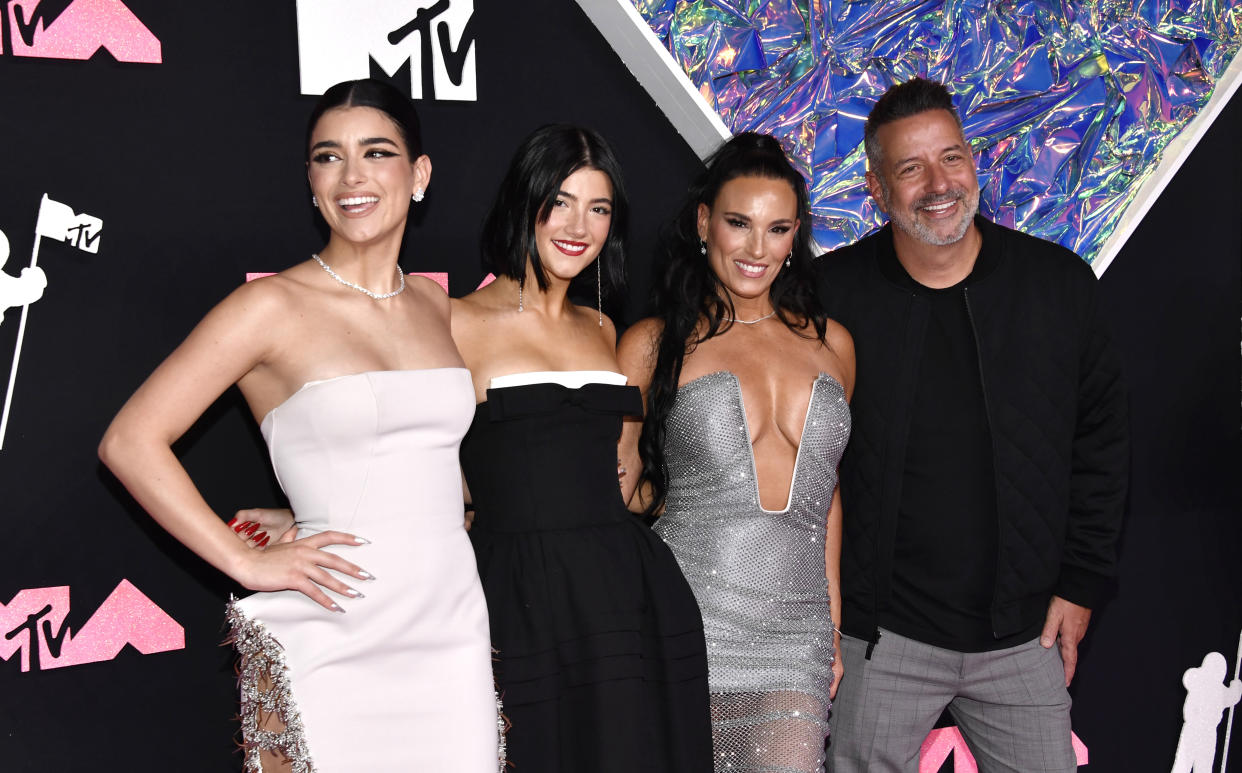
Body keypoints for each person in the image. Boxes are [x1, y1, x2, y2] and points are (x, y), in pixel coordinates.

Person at [98, 79, 500, 772]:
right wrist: (245, 560)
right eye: (327, 157)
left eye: (376, 152)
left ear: (420, 173)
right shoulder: (270, 307)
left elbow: (423, 458)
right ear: (311, 182)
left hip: (449, 625)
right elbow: (130, 441)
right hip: (334, 624)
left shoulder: (437, 306)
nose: (352, 177)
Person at [816, 77, 1128, 772]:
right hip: (884, 635)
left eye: (951, 157)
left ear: (973, 162)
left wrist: (1080, 583)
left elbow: (1103, 446)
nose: (938, 183)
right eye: (910, 167)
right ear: (876, 189)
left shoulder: (1058, 287)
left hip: (1021, 637)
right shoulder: (832, 294)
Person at [449, 124, 713, 772]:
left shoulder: (602, 327)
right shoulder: (456, 321)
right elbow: (418, 456)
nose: (579, 225)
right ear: (525, 202)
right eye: (560, 202)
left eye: (599, 208)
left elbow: (622, 466)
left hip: (624, 595)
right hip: (516, 595)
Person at [618, 132, 854, 773]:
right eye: (738, 224)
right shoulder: (653, 343)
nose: (756, 249)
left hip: (798, 634)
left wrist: (831, 621)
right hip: (688, 617)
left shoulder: (833, 344)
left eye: (777, 229)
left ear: (796, 234)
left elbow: (827, 495)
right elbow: (616, 489)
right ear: (704, 223)